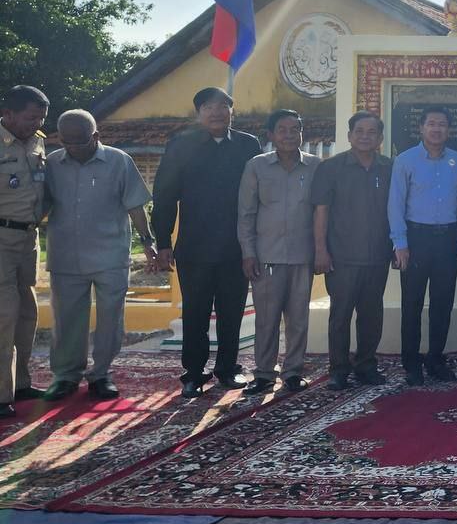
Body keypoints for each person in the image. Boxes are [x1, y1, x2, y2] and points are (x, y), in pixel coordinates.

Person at [150, 86, 261, 399]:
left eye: (223, 106)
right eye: (209, 107)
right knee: (195, 313)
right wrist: (163, 241)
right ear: (198, 113)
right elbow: (164, 195)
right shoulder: (181, 145)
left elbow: (260, 194)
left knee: (232, 311)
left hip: (235, 246)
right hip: (195, 247)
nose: (216, 112)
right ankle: (194, 372)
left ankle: (227, 368)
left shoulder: (248, 145)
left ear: (231, 111)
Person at [42, 110, 155, 402]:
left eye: (79, 141)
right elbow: (37, 205)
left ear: (95, 136)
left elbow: (135, 206)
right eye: (65, 141)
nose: (72, 147)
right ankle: (66, 376)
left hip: (110, 255)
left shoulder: (119, 161)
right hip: (65, 255)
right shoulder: (51, 163)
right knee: (67, 319)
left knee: (110, 318)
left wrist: (148, 241)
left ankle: (101, 373)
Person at [237, 109, 321, 396]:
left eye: (295, 129)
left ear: (302, 134)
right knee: (266, 319)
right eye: (282, 130)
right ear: (271, 135)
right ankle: (263, 374)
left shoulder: (315, 166)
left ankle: (293, 372)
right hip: (266, 256)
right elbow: (246, 214)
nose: (289, 135)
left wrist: (321, 250)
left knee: (298, 319)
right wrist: (248, 252)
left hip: (302, 255)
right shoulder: (256, 166)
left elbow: (322, 212)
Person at [312, 111, 393, 391]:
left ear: (380, 138)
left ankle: (366, 365)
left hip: (378, 255)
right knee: (340, 316)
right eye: (359, 131)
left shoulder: (390, 168)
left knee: (372, 315)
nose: (365, 137)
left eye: (372, 132)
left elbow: (397, 209)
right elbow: (321, 211)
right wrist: (320, 250)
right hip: (341, 256)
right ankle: (338, 369)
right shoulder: (331, 168)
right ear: (349, 136)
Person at [389, 106, 457, 384]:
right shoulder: (405, 160)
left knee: (442, 302)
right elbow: (395, 204)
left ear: (449, 129)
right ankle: (411, 363)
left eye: (442, 124)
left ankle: (436, 358)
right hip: (415, 237)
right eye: (431, 123)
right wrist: (400, 243)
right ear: (421, 128)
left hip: (447, 238)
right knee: (411, 302)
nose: (437, 129)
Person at [0, 85, 50, 416]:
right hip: (1, 238)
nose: (37, 124)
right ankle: (1, 393)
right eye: (31, 117)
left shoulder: (37, 142)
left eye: (41, 118)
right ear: (8, 114)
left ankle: (20, 382)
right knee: (4, 315)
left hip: (28, 238)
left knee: (27, 313)